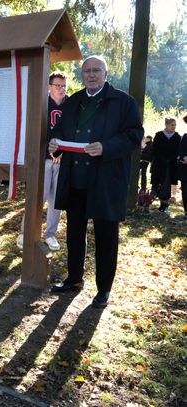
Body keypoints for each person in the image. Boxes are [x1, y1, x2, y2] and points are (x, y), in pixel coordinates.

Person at [48, 55, 143, 308]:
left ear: (105, 73)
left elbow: (134, 135)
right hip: (76, 180)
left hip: (105, 182)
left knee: (106, 237)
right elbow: (59, 131)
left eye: (96, 70)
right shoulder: (73, 102)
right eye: (87, 71)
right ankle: (74, 279)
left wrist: (106, 147)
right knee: (75, 233)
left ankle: (104, 289)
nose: (91, 74)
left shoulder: (123, 102)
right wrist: (54, 143)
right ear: (82, 74)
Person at [17, 71, 68, 252]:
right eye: (57, 85)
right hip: (44, 159)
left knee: (57, 200)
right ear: (49, 86)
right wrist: (49, 149)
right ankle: (26, 231)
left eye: (63, 85)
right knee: (39, 196)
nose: (61, 89)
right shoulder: (41, 104)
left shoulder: (70, 105)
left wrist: (62, 150)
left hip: (63, 160)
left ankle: (50, 234)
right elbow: (36, 129)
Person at [150, 117, 181, 213]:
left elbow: (178, 150)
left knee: (167, 184)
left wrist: (172, 158)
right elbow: (154, 149)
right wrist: (160, 158)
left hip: (170, 164)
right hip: (159, 164)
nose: (174, 127)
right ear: (166, 125)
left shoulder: (177, 137)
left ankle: (165, 205)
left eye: (175, 125)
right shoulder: (159, 135)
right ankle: (156, 203)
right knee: (158, 183)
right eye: (172, 125)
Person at [177, 114, 187, 218]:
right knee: (185, 189)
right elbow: (180, 150)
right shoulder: (185, 137)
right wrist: (183, 157)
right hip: (185, 169)